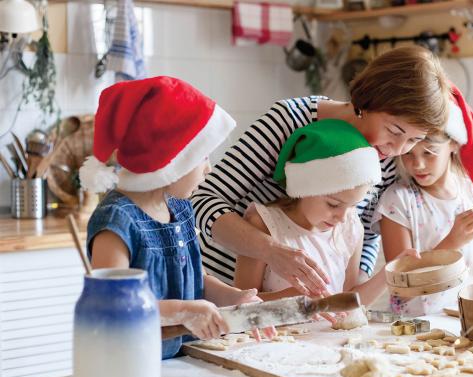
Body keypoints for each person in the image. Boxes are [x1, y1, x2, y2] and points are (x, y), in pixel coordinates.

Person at [191, 46, 453, 296]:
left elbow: (366, 233)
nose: (398, 149)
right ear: (368, 100)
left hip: (303, 310)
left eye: (413, 140)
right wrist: (271, 251)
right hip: (219, 287)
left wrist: (350, 290)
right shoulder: (288, 121)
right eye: (395, 131)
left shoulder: (386, 158)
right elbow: (203, 201)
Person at [80, 76, 274, 359]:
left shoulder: (181, 210)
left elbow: (198, 279)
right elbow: (115, 306)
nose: (208, 169)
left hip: (177, 362)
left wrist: (234, 299)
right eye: (202, 157)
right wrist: (185, 311)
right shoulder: (116, 222)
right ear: (171, 158)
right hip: (125, 366)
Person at [234, 120, 418, 310]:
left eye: (353, 205)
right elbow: (239, 306)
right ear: (305, 188)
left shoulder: (351, 228)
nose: (342, 217)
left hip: (328, 339)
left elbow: (348, 302)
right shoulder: (263, 226)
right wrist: (294, 301)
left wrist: (389, 274)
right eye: (333, 204)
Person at [372, 87, 473, 317]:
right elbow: (399, 286)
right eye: (409, 154)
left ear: (453, 145)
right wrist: (451, 242)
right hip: (416, 328)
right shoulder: (397, 201)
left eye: (429, 153)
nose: (418, 165)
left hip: (469, 321)